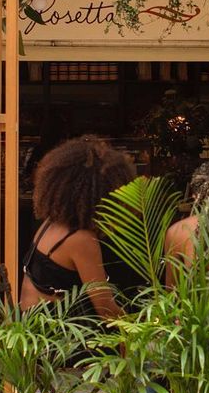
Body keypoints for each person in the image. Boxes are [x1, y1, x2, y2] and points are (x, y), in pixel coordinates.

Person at [19, 135, 135, 320]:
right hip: (58, 338)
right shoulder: (80, 239)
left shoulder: (49, 225)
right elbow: (105, 309)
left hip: (32, 330)